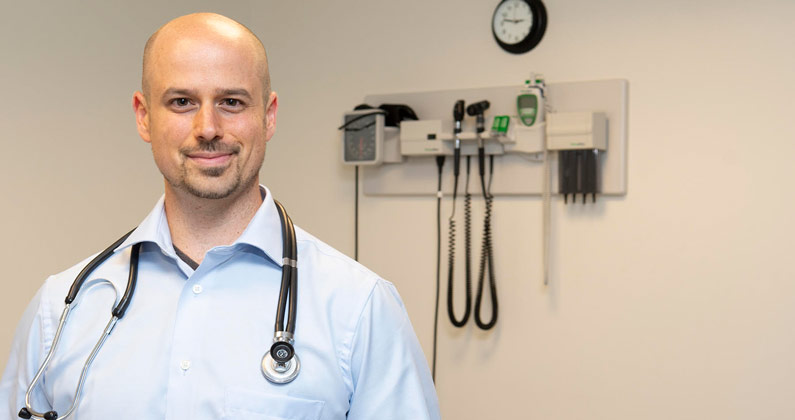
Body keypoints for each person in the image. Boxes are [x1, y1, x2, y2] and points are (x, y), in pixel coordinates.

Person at [0, 12, 440, 420]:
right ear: (143, 116)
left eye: (231, 101)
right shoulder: (61, 310)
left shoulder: (359, 309)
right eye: (181, 102)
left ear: (268, 117)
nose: (208, 127)